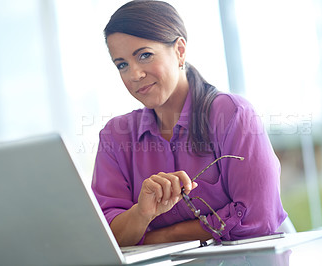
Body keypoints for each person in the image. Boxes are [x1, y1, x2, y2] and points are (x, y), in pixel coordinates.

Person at [91, 0, 287, 247]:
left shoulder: (233, 115)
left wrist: (161, 237)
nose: (134, 75)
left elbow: (259, 219)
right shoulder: (115, 137)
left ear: (180, 51)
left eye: (145, 55)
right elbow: (107, 237)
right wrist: (142, 213)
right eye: (122, 64)